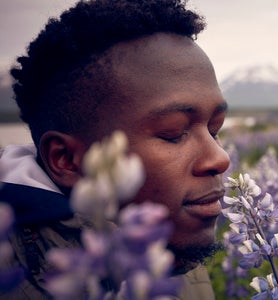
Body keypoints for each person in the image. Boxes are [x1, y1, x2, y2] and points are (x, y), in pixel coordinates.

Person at [0, 0, 230, 299]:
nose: (220, 158)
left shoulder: (173, 243)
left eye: (215, 130)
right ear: (66, 160)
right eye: (173, 133)